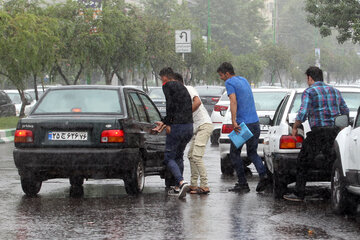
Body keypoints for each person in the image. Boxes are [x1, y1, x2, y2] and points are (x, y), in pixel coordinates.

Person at [283, 66, 349, 201]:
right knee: (333, 162)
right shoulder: (335, 91)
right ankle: (337, 193)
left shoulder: (309, 92)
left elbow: (303, 112)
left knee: (303, 161)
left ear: (310, 78)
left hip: (318, 133)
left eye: (307, 79)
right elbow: (345, 110)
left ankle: (299, 193)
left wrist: (295, 126)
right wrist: (342, 126)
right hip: (334, 133)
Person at [217, 62, 270, 193]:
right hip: (254, 123)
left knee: (234, 154)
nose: (221, 78)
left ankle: (242, 183)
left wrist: (234, 121)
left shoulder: (229, 83)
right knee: (252, 153)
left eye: (221, 75)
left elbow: (233, 101)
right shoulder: (244, 80)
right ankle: (264, 175)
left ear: (227, 73)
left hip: (243, 126)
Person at [152, 67, 193, 199]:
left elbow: (170, 105)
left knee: (168, 157)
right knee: (179, 155)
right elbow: (182, 107)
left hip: (177, 127)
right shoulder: (183, 87)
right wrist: (164, 122)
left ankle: (181, 182)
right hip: (188, 126)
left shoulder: (167, 85)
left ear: (164, 77)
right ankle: (177, 187)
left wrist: (167, 123)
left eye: (161, 78)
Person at [173, 73, 213, 194]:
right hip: (196, 128)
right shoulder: (177, 95)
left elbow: (197, 102)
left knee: (196, 156)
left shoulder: (188, 89)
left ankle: (205, 185)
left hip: (204, 126)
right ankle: (194, 185)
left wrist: (184, 113)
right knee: (191, 156)